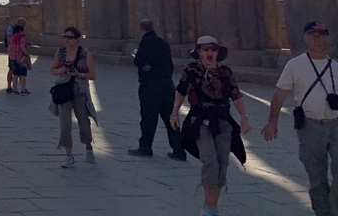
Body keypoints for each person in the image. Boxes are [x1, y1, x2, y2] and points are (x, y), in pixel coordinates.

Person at [261, 21, 338, 216]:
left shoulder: (335, 67)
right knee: (318, 178)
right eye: (313, 35)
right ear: (305, 38)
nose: (317, 39)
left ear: (327, 38)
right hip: (311, 127)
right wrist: (272, 121)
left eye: (321, 35)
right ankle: (323, 212)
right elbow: (279, 94)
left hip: (336, 124)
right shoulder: (295, 65)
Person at [170, 35, 250, 216]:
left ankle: (213, 206)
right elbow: (181, 92)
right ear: (199, 51)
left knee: (222, 163)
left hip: (222, 121)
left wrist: (244, 117)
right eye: (206, 49)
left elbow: (236, 95)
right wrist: (174, 113)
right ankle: (208, 208)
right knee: (210, 162)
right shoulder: (191, 70)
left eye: (213, 49)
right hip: (200, 122)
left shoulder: (225, 72)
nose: (210, 53)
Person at [128, 19, 185, 160]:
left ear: (141, 28)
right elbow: (169, 63)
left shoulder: (145, 43)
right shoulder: (163, 43)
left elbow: (140, 60)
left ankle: (145, 147)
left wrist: (139, 61)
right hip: (166, 83)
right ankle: (179, 150)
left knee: (149, 117)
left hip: (151, 85)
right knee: (170, 117)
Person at [50, 26, 97, 167]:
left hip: (80, 92)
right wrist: (61, 70)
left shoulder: (85, 53)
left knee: (83, 123)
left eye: (69, 37)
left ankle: (88, 147)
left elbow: (93, 75)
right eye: (64, 36)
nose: (66, 39)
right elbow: (52, 70)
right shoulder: (60, 52)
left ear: (77, 39)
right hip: (64, 92)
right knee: (65, 125)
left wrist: (79, 74)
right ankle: (69, 156)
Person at [8, 18, 31, 95]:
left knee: (15, 74)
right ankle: (23, 90)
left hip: (13, 58)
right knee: (23, 74)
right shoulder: (21, 37)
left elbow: (9, 47)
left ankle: (14, 89)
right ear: (21, 31)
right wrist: (28, 54)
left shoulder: (11, 38)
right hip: (20, 58)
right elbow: (22, 47)